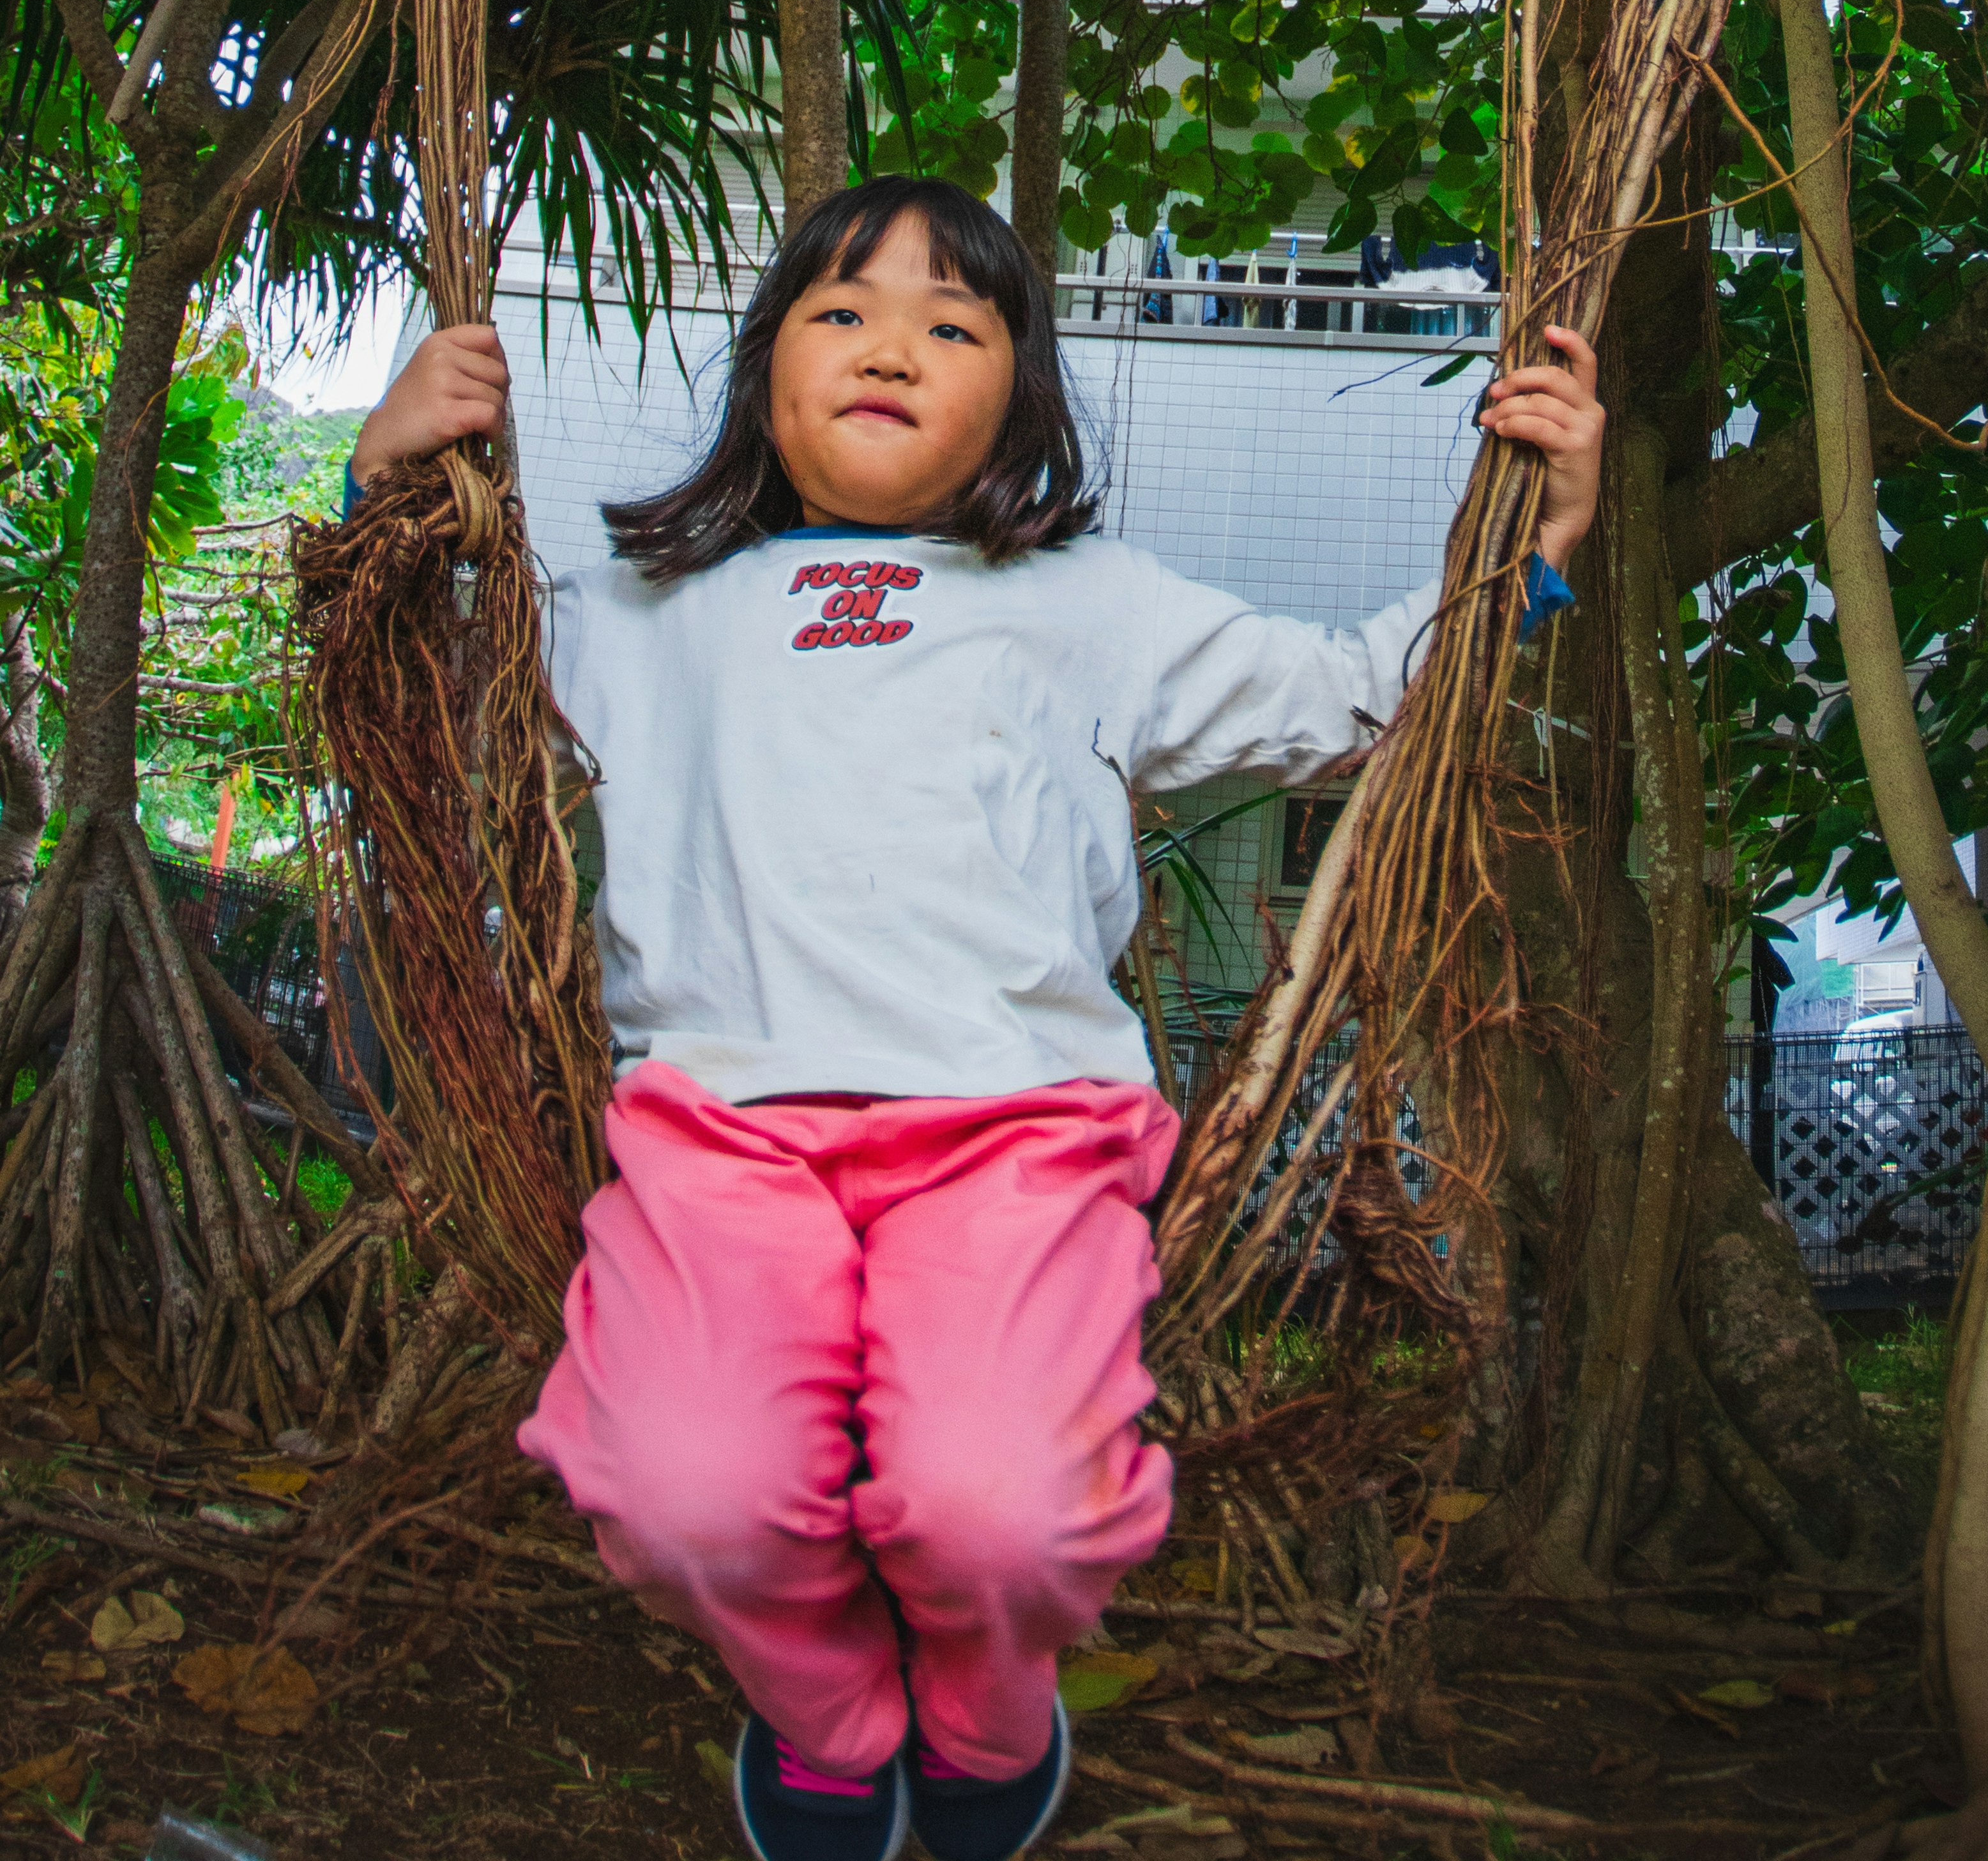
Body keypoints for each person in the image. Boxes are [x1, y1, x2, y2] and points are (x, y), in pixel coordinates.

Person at [349, 178, 1603, 1861]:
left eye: (956, 325)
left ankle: (989, 1715)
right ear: (764, 371)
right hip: (720, 1149)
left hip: (1017, 1153)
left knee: (1003, 1517)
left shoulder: (1090, 607)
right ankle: (832, 1717)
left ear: (1016, 396)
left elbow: (1349, 699)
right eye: (843, 312)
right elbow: (418, 688)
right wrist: (387, 468)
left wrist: (1538, 542)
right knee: (683, 1496)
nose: (895, 348)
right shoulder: (640, 617)